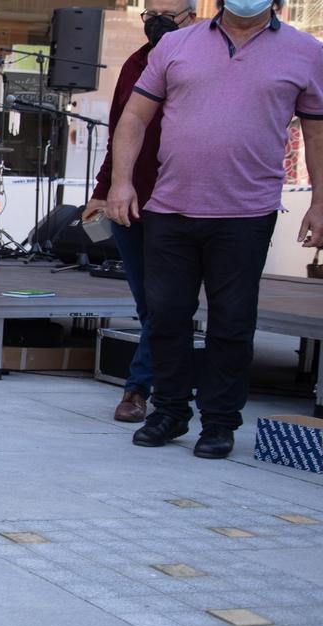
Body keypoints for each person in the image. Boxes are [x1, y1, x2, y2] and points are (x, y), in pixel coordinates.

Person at [106, 0, 323, 459]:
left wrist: (320, 203)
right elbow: (134, 117)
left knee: (232, 323)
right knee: (165, 318)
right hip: (169, 208)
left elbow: (317, 130)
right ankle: (169, 411)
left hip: (247, 213)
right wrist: (120, 183)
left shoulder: (306, 51)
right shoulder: (176, 45)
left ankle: (220, 423)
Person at [83, 0, 196, 424]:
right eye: (150, 15)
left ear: (193, 16)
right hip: (131, 200)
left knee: (166, 303)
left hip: (184, 203)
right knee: (149, 304)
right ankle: (165, 387)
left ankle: (140, 388)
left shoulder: (205, 63)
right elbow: (120, 131)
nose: (157, 22)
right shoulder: (135, 64)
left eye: (167, 14)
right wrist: (103, 188)